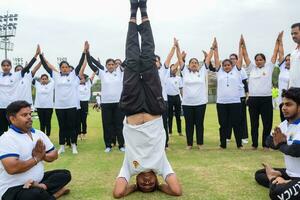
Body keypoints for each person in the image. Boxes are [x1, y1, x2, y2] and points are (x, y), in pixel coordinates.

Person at [113, 0, 182, 198]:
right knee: (148, 54)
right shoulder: (161, 165)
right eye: (150, 184)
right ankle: (143, 10)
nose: (146, 182)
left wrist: (132, 188)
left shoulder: (130, 167)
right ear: (157, 180)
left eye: (143, 185)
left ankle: (132, 12)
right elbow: (176, 191)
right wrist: (161, 186)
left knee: (132, 57)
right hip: (153, 107)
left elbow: (118, 193)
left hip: (132, 107)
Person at [0, 101, 71, 200]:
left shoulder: (38, 133)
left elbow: (54, 154)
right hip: (13, 188)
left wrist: (43, 156)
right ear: (13, 119)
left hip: (38, 181)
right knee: (34, 195)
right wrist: (36, 159)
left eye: (30, 114)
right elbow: (12, 168)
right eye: (24, 115)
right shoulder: (7, 138)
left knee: (64, 174)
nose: (29, 117)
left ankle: (42, 187)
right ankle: (54, 195)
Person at [39, 43, 86, 154]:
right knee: (62, 126)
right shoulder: (55, 75)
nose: (64, 69)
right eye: (62, 67)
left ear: (69, 69)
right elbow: (46, 66)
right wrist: (40, 55)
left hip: (71, 105)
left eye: (66, 67)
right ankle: (62, 146)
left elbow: (80, 64)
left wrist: (84, 52)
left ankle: (74, 145)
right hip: (59, 106)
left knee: (72, 126)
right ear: (60, 69)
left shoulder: (73, 75)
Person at [254, 87, 300, 200]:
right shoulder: (284, 124)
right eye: (283, 104)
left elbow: (296, 150)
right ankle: (282, 180)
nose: (283, 108)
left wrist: (280, 144)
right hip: (291, 173)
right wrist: (279, 143)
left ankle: (277, 182)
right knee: (259, 174)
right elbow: (268, 140)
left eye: (289, 105)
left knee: (276, 193)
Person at [242, 32, 283, 150]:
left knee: (267, 124)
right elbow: (245, 56)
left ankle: (266, 145)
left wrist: (278, 41)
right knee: (254, 124)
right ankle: (254, 144)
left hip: (266, 99)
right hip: (253, 99)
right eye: (257, 60)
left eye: (260, 60)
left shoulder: (269, 67)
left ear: (264, 61)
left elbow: (275, 53)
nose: (258, 61)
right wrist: (243, 45)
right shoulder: (251, 69)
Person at [86, 44, 125, 153]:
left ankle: (121, 145)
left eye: (113, 64)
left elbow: (128, 58)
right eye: (109, 64)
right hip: (106, 104)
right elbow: (90, 64)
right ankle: (108, 145)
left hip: (118, 103)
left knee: (119, 125)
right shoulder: (102, 73)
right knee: (107, 125)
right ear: (106, 66)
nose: (111, 66)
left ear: (115, 65)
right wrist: (87, 52)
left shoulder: (120, 72)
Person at [207, 37, 243, 149]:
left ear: (232, 65)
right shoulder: (219, 72)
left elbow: (240, 58)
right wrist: (215, 47)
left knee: (236, 124)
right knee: (223, 124)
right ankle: (223, 145)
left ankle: (239, 145)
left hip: (235, 102)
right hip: (221, 103)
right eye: (225, 65)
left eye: (228, 65)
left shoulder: (237, 71)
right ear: (222, 66)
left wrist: (240, 46)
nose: (227, 66)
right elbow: (216, 58)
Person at [0, 45, 40, 135]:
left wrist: (36, 55)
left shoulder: (16, 75)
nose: (6, 67)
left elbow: (27, 67)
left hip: (11, 108)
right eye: (4, 65)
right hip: (1, 107)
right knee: (1, 130)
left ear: (10, 67)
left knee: (14, 129)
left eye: (8, 65)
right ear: (2, 67)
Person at [177, 40, 209, 150]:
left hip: (200, 103)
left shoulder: (202, 72)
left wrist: (212, 49)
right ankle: (189, 144)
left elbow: (208, 60)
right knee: (189, 124)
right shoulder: (185, 72)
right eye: (192, 63)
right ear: (189, 65)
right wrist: (177, 47)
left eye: (196, 62)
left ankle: (200, 143)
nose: (194, 64)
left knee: (199, 124)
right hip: (187, 104)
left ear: (198, 65)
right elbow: (180, 60)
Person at [164, 40, 183, 137]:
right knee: (170, 116)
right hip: (169, 98)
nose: (175, 69)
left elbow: (181, 89)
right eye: (173, 68)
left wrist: (182, 98)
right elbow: (175, 65)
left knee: (178, 116)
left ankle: (180, 131)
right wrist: (181, 57)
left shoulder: (179, 78)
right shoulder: (166, 76)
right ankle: (170, 132)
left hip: (177, 98)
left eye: (176, 69)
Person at [78, 60, 96, 140]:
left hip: (85, 103)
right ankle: (78, 134)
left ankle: (84, 133)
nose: (81, 79)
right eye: (80, 78)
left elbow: (92, 75)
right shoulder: (76, 85)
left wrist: (95, 70)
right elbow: (80, 72)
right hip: (77, 103)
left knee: (84, 120)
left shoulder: (88, 84)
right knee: (77, 120)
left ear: (85, 79)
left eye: (82, 78)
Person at [155, 55, 169, 148]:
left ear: (159, 62)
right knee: (152, 124)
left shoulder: (163, 71)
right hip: (150, 102)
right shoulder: (146, 72)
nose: (154, 62)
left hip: (162, 101)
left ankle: (165, 143)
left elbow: (168, 58)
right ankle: (154, 143)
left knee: (163, 123)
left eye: (156, 61)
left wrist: (174, 47)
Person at [289, 23, 300, 88]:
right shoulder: (294, 52)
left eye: (296, 33)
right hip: (293, 90)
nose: (293, 36)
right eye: (292, 34)